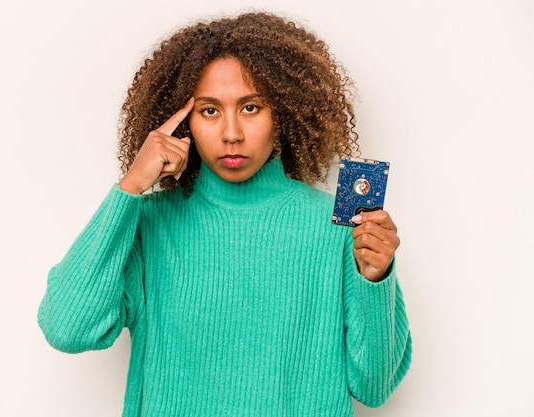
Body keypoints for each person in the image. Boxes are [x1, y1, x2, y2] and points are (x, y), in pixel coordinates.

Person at [38, 11, 411, 417]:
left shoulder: (338, 228)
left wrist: (376, 280)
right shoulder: (147, 224)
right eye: (210, 111)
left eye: (251, 108)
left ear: (283, 114)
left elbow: (374, 388)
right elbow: (67, 330)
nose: (231, 132)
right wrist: (129, 188)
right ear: (183, 123)